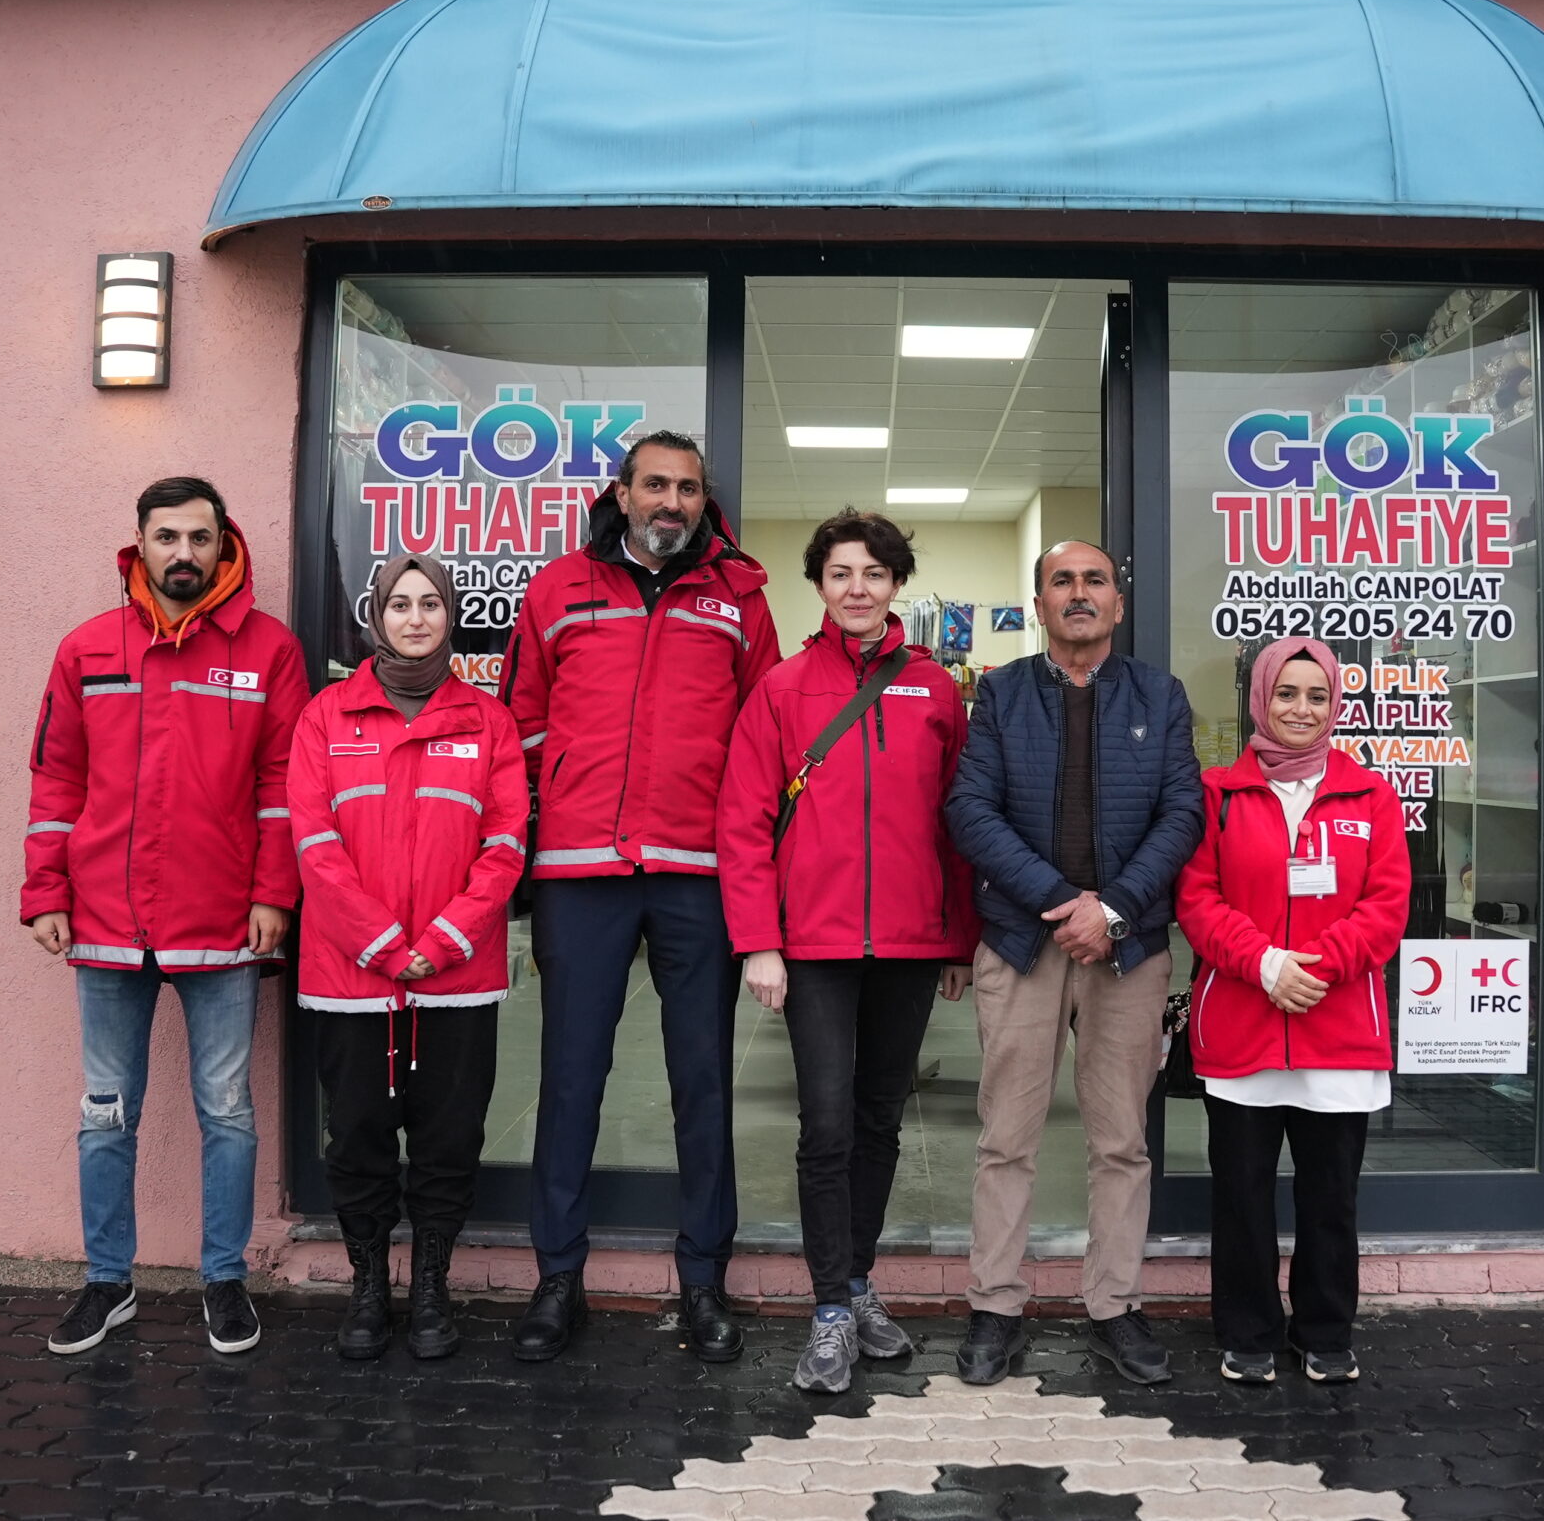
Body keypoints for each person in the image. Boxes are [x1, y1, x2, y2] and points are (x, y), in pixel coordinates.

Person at [500, 429, 780, 1362]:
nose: (671, 501)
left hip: (698, 877)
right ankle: (557, 1277)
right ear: (620, 493)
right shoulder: (557, 590)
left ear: (705, 502)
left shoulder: (741, 600)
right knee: (570, 1080)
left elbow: (763, 742)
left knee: (702, 1083)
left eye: (688, 489)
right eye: (655, 484)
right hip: (581, 874)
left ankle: (703, 1280)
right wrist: (553, 818)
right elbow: (522, 724)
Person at [21, 476, 308, 1357]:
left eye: (200, 537)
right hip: (104, 924)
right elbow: (56, 781)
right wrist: (45, 893)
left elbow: (281, 787)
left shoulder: (269, 653)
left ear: (227, 545)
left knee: (226, 1108)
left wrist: (272, 894)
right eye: (167, 536)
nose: (184, 553)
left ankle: (224, 1282)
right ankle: (108, 1284)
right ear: (137, 545)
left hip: (220, 924)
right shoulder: (87, 650)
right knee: (105, 1112)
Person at [718, 509, 979, 1394]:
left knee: (877, 1122)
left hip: (910, 943)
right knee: (825, 1124)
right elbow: (743, 824)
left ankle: (861, 1285)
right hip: (815, 946)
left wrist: (958, 938)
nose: (857, 588)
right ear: (820, 585)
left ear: (895, 582)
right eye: (840, 574)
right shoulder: (784, 689)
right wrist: (759, 943)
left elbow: (958, 824)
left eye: (873, 573)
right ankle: (830, 1308)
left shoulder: (935, 690)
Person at [941, 540, 1206, 1386]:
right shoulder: (1002, 693)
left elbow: (1184, 811)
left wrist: (1115, 909)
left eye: (1095, 581)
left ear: (1117, 605)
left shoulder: (1159, 695)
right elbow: (970, 810)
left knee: (1121, 1141)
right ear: (1041, 602)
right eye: (1063, 582)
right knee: (1005, 1137)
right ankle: (995, 1307)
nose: (1081, 594)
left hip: (1128, 949)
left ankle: (1115, 1307)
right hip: (1024, 941)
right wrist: (1064, 902)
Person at [287, 553, 526, 1362]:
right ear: (378, 616)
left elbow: (505, 844)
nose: (416, 618)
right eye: (401, 604)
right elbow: (314, 845)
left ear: (449, 617)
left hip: (456, 979)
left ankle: (430, 1287)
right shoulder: (325, 718)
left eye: (430, 604)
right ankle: (367, 1289)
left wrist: (445, 941)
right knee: (355, 1138)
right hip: (351, 978)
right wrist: (386, 945)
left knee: (449, 1139)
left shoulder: (487, 722)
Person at [1176, 637, 1408, 1385]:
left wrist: (1318, 966)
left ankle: (1325, 1331)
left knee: (1330, 1199)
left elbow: (1386, 907)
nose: (1301, 709)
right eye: (1286, 694)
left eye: (1316, 696)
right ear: (1259, 699)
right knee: (1241, 1200)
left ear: (1334, 704)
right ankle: (1247, 1330)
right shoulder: (1217, 793)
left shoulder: (1371, 796)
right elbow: (1197, 899)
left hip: (1338, 1033)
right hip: (1243, 1032)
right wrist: (1264, 963)